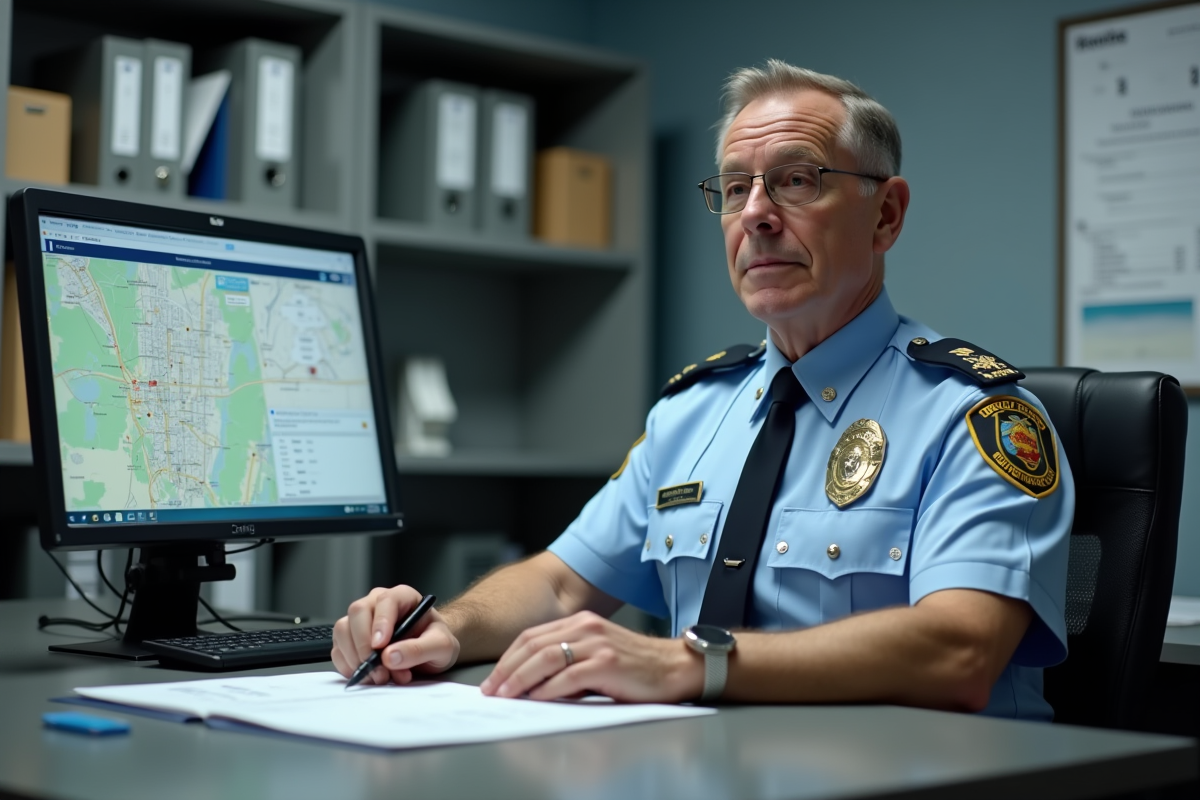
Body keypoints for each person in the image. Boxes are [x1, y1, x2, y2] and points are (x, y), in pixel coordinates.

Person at [332, 59, 1073, 720]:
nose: (755, 213)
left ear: (886, 215)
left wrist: (690, 662)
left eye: (796, 178)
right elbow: (560, 584)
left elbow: (962, 651)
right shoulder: (692, 414)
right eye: (734, 187)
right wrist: (446, 627)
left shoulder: (972, 415)